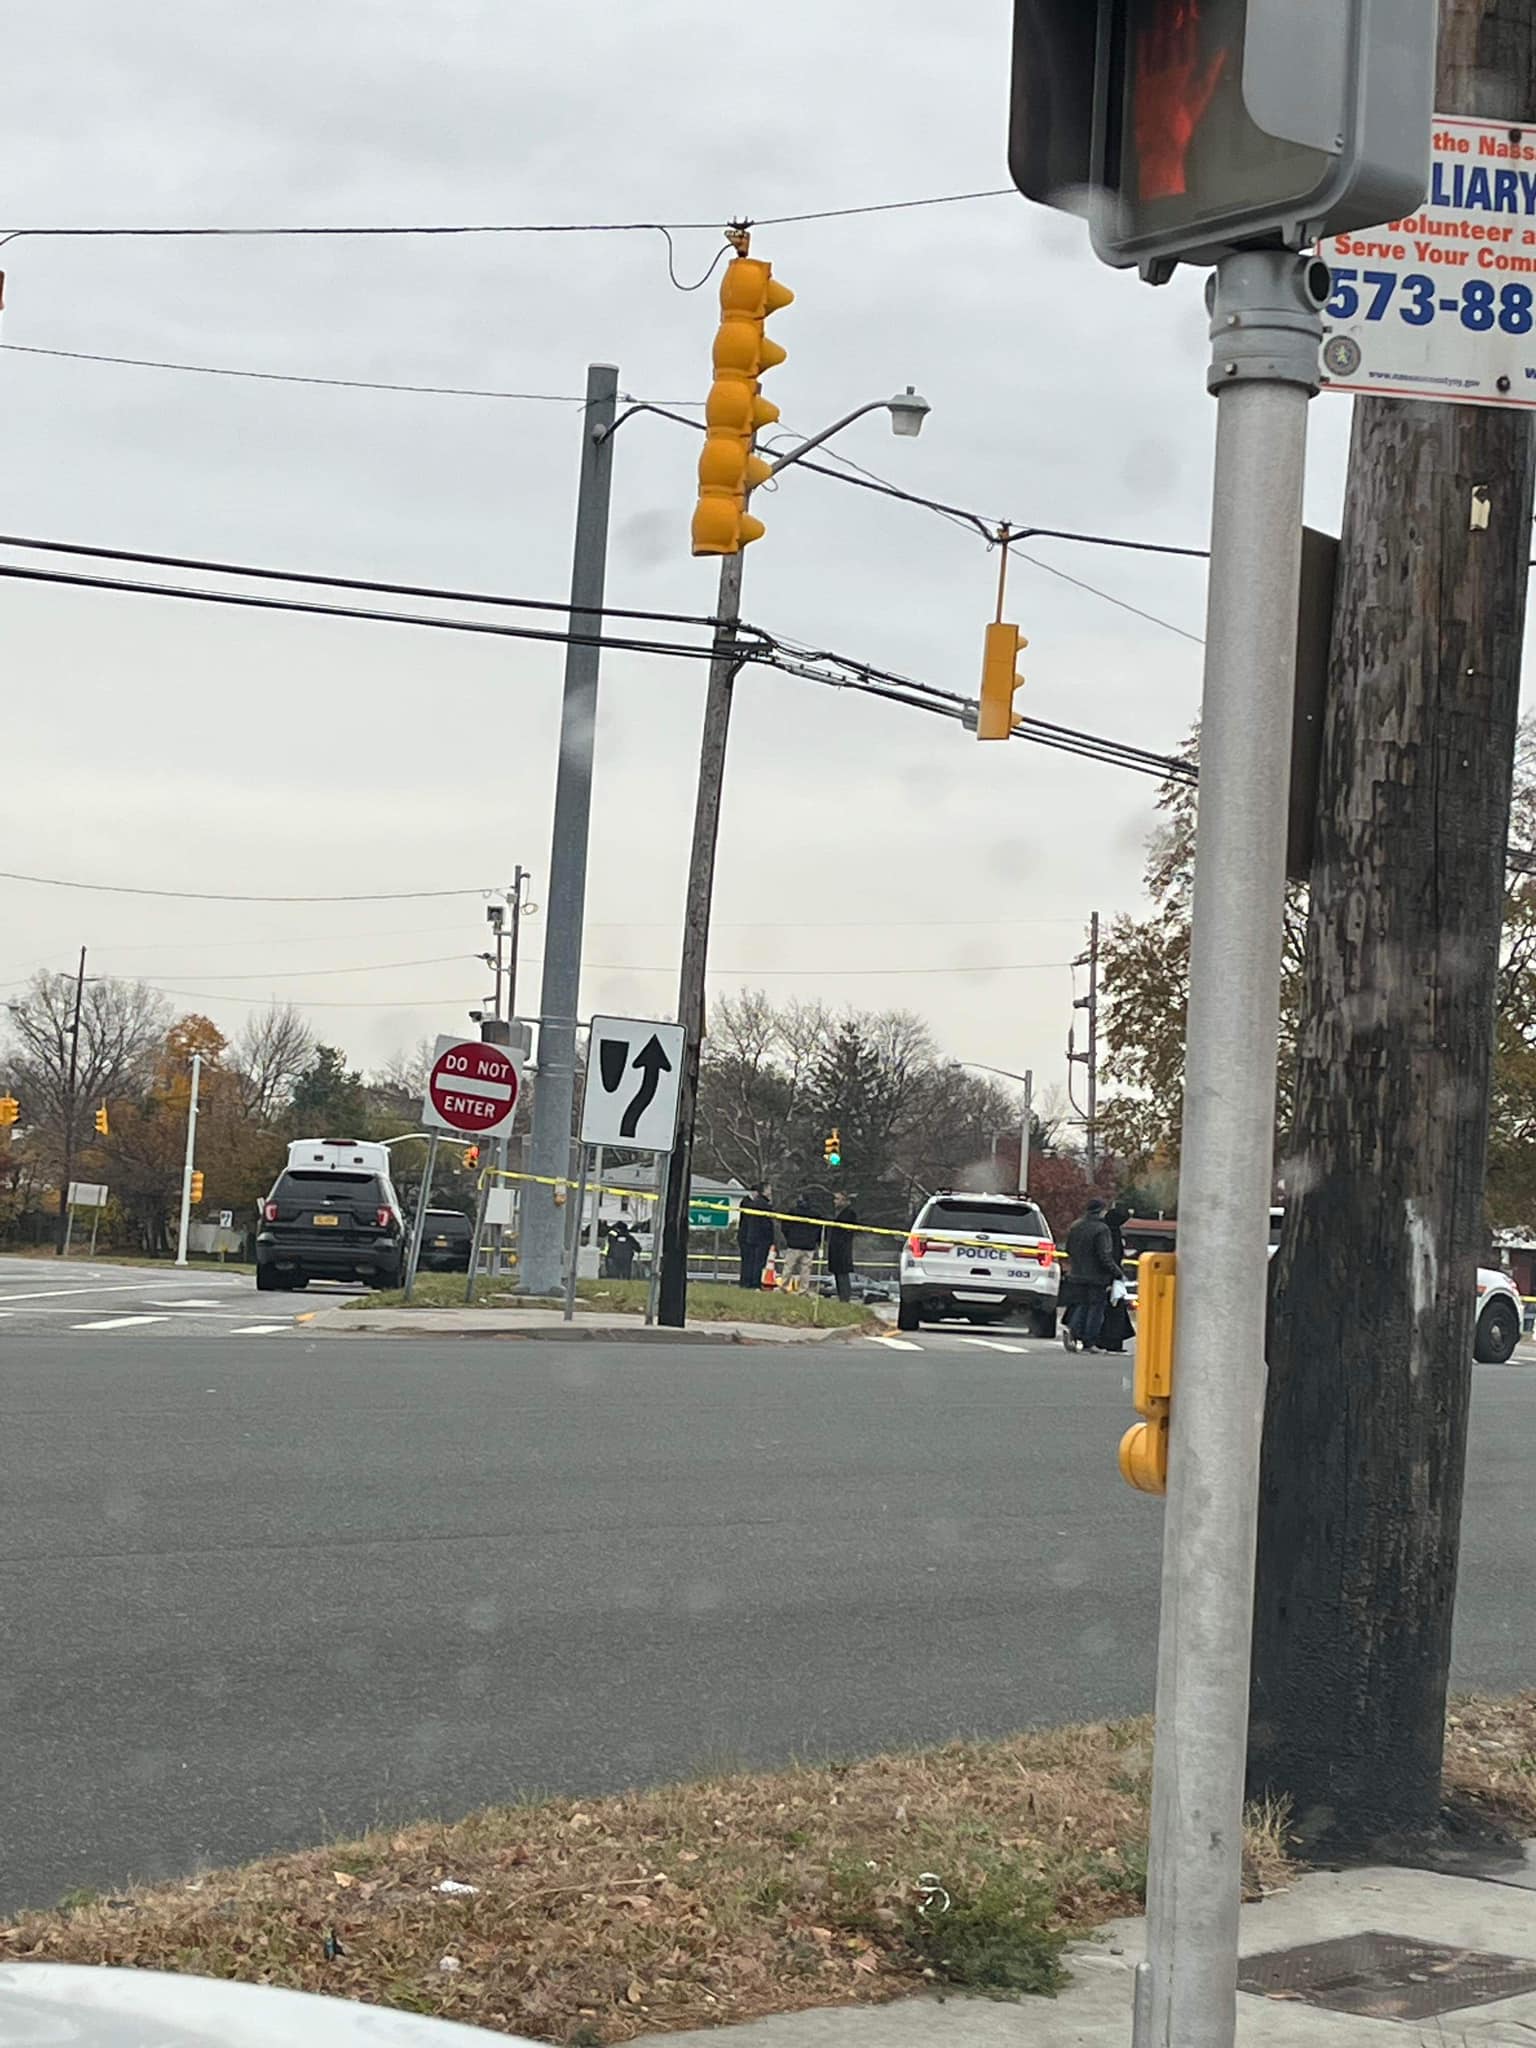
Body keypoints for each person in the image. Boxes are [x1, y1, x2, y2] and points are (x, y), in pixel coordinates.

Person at [1061, 1196, 1120, 1354]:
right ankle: (1089, 1342)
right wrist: (1117, 1273)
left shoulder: (1076, 1226)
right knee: (1096, 1309)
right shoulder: (1102, 1229)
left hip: (1076, 1274)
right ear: (1101, 1211)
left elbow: (1068, 1249)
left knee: (1080, 1305)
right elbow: (1104, 1255)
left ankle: (1073, 1331)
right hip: (1097, 1277)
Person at [1099, 1202, 1133, 1354]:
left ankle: (1108, 1340)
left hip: (1108, 1275)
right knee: (1114, 1311)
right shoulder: (1111, 1234)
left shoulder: (1107, 1231)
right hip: (1111, 1276)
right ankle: (1112, 1341)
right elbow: (1110, 1256)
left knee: (1109, 1310)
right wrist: (1116, 1273)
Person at [780, 1188, 827, 1292]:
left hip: (794, 1244)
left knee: (788, 1267)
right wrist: (817, 1242)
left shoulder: (792, 1213)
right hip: (809, 1246)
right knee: (805, 1270)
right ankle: (803, 1290)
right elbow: (820, 1231)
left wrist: (789, 1238)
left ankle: (783, 1287)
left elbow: (784, 1227)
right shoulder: (816, 1215)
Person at [738, 1188, 776, 1290]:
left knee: (750, 1262)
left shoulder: (751, 1205)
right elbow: (766, 1224)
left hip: (750, 1237)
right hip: (757, 1238)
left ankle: (747, 1282)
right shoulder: (754, 1204)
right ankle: (753, 1283)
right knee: (755, 1262)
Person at [827, 1193, 859, 1303]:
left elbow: (847, 1232)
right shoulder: (838, 1214)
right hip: (836, 1248)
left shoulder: (849, 1214)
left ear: (844, 1201)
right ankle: (842, 1297)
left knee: (843, 1275)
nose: (834, 1202)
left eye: (837, 1199)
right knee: (838, 1274)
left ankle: (845, 1298)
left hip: (842, 1249)